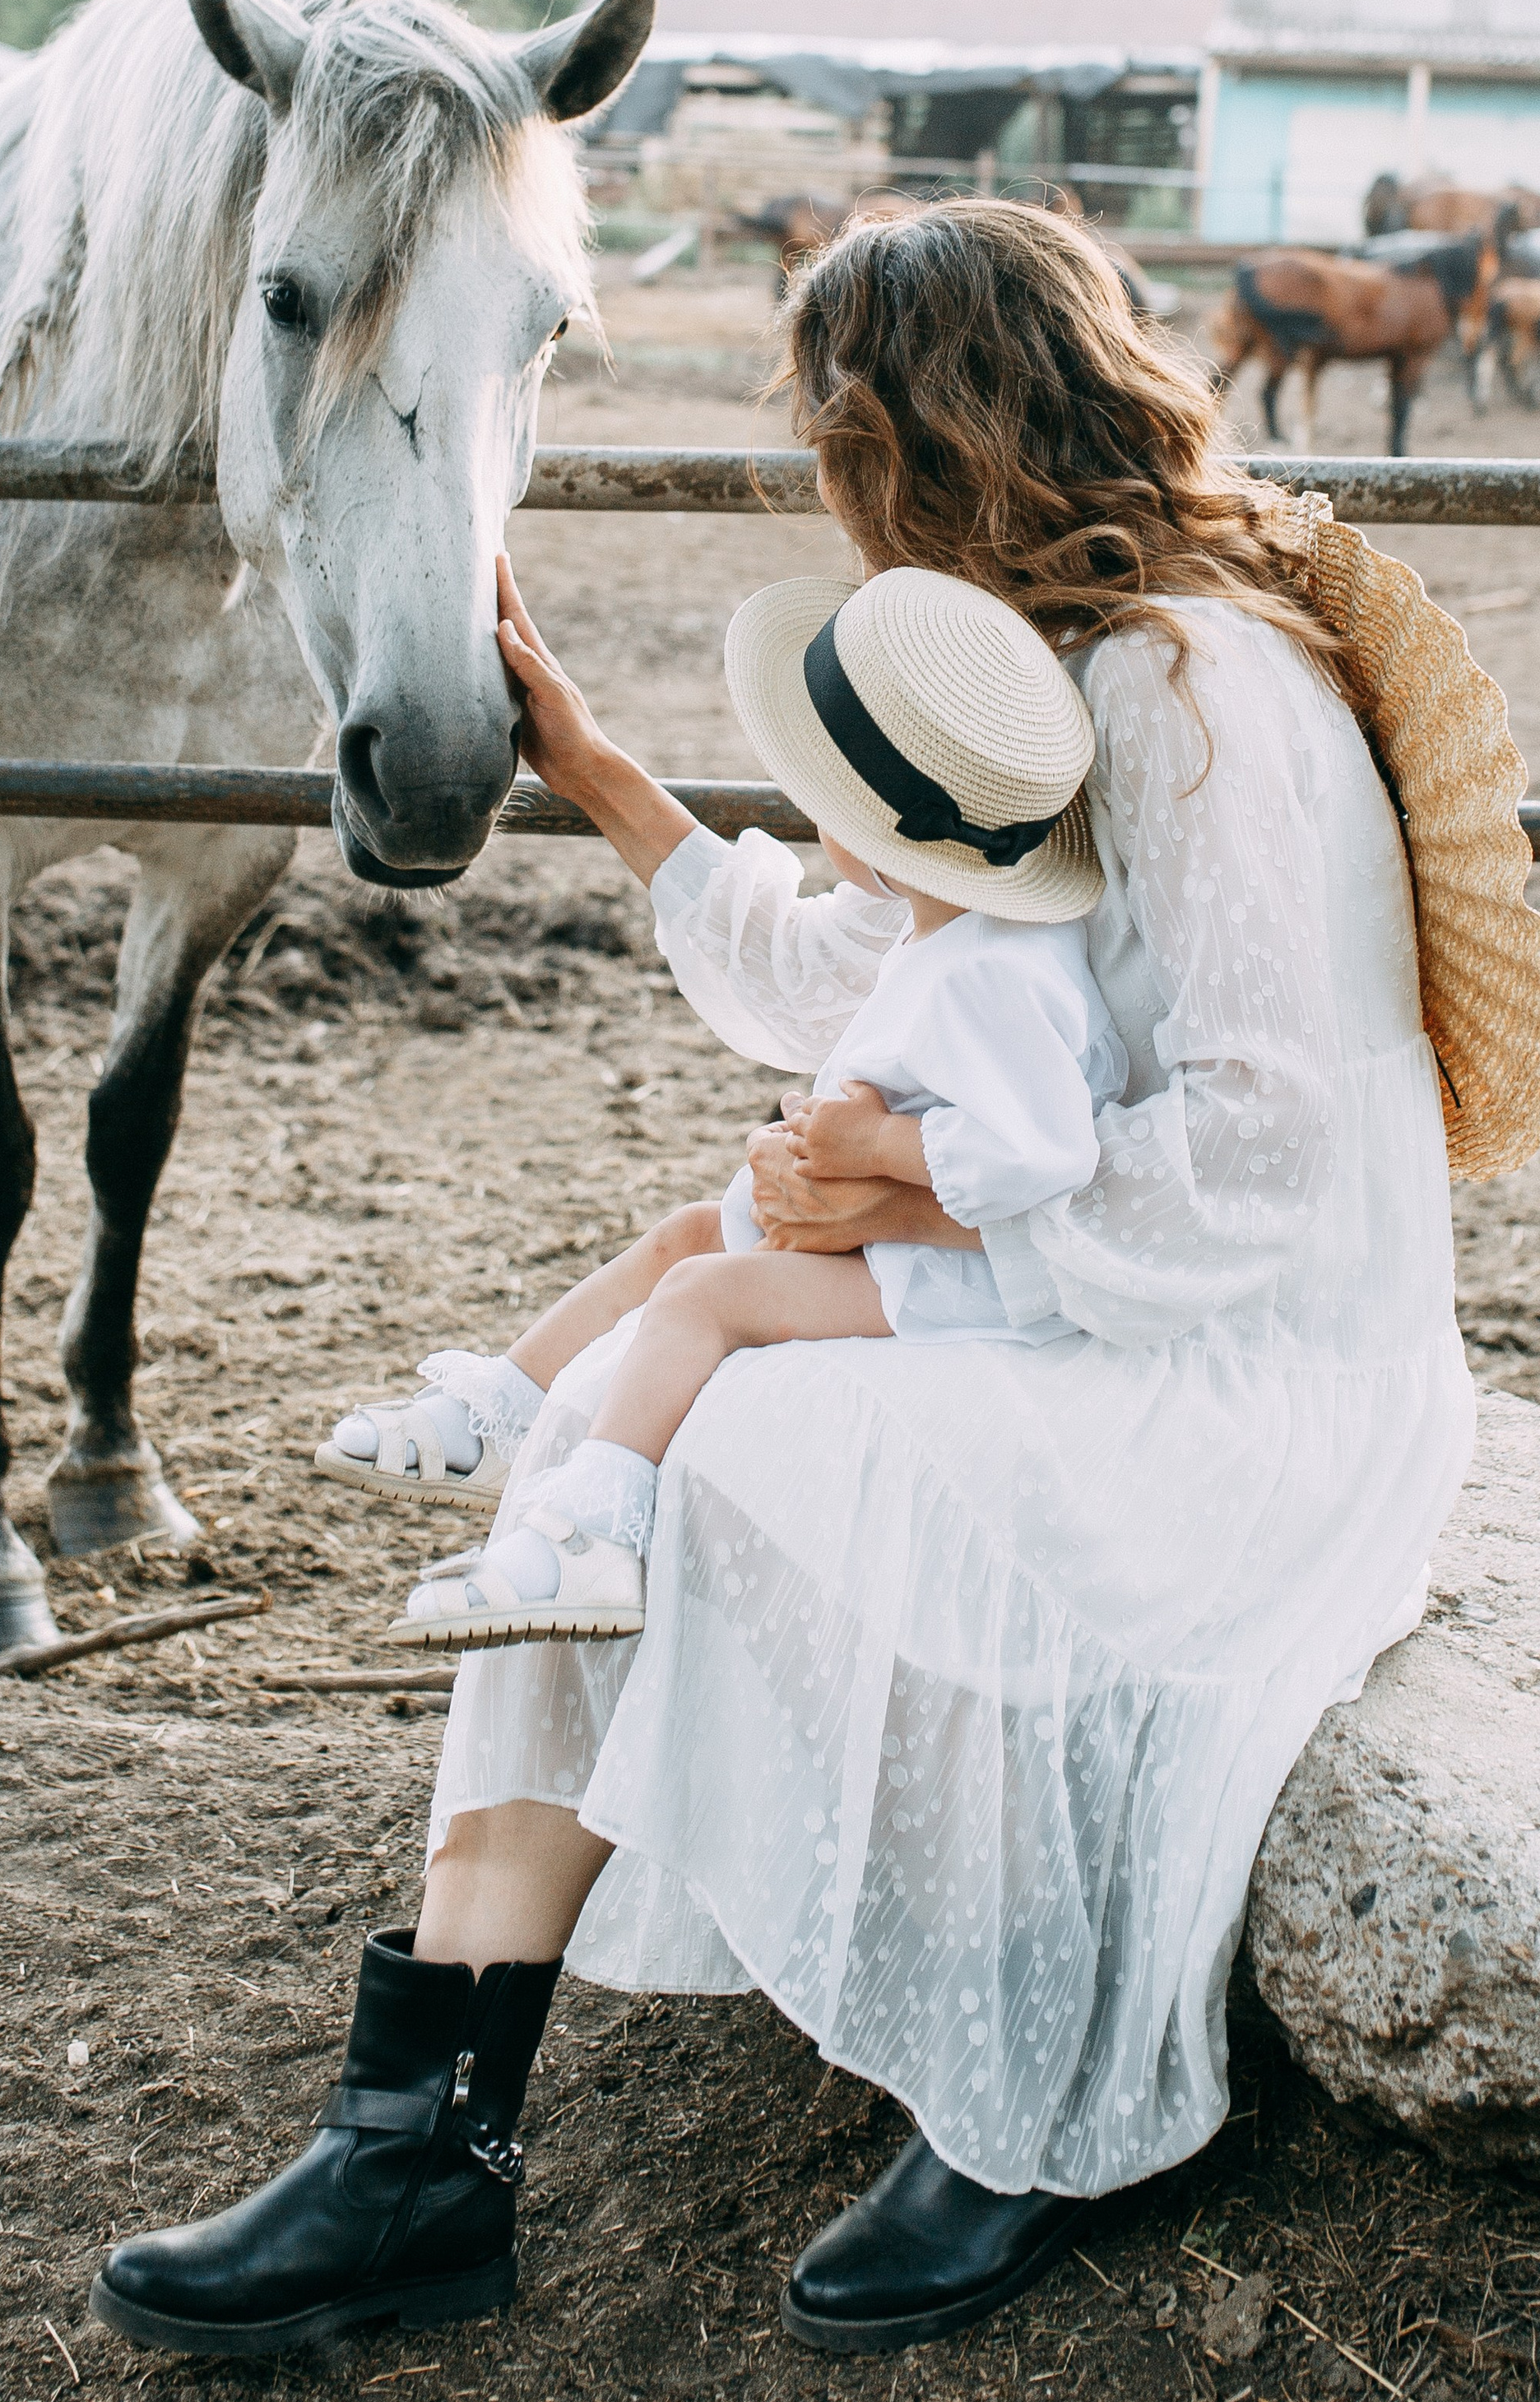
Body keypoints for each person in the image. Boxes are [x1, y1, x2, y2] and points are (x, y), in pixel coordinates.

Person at [88, 199, 1509, 2367]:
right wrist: (594, 768)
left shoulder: (1196, 685)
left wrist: (920, 1195)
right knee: (628, 1431)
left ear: (898, 434)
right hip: (1088, 1297)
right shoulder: (1052, 664)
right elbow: (871, 959)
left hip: (1244, 1362)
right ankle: (419, 2139)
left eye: (835, 449)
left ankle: (1033, 2084)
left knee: (732, 1412)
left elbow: (1275, 1145)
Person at [383, 563, 1129, 1652]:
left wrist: (876, 1143)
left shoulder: (987, 976)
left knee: (704, 1297)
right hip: (941, 1258)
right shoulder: (966, 941)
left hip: (969, 1285)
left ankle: (593, 1530)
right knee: (690, 1236)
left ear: (864, 833)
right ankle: (507, 1408)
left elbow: (1043, 1151)